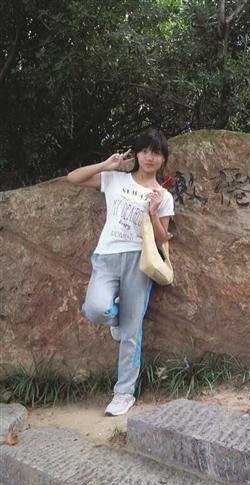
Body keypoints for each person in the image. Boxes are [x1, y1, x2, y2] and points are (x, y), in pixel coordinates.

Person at [66, 129, 174, 415]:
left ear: (163, 159)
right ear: (137, 153)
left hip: (140, 261)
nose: (150, 157)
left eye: (157, 153)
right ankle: (114, 319)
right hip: (107, 256)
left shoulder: (163, 195)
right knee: (96, 309)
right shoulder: (115, 179)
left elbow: (162, 238)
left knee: (131, 332)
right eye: (145, 151)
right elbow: (72, 179)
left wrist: (153, 211)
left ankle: (124, 392)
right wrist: (106, 164)